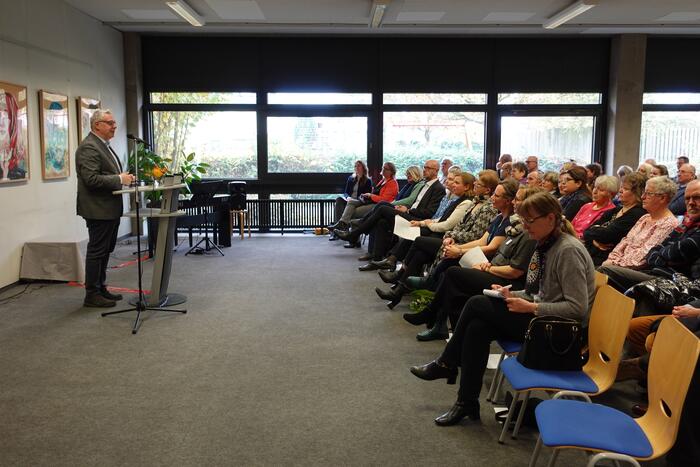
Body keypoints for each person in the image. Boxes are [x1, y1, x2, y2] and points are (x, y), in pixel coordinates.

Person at [409, 191, 595, 426]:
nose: (526, 227)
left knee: (476, 304)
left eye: (530, 221)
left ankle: (447, 363)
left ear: (550, 218)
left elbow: (577, 309)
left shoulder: (567, 250)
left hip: (559, 333)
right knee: (478, 327)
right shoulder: (546, 244)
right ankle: (466, 403)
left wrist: (531, 306)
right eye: (523, 221)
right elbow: (538, 291)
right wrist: (511, 294)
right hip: (542, 320)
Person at [404, 185, 541, 341]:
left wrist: (483, 265)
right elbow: (482, 240)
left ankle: (433, 311)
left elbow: (502, 258)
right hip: (491, 265)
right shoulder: (506, 221)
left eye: (517, 199)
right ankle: (440, 321)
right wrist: (457, 248)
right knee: (451, 269)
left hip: (502, 275)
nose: (492, 198)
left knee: (453, 274)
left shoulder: (521, 230)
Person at [377, 178, 518, 308]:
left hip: (482, 258)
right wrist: (455, 246)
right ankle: (400, 290)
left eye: (497, 196)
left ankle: (416, 283)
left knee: (424, 243)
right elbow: (480, 239)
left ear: (508, 200)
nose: (493, 197)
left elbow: (489, 246)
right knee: (420, 251)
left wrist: (458, 248)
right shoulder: (497, 216)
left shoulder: (497, 214)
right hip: (461, 242)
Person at [76, 109, 135, 307]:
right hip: (97, 209)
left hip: (108, 208)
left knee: (105, 250)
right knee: (97, 251)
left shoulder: (103, 145)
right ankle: (91, 294)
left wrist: (122, 178)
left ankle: (100, 288)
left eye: (114, 122)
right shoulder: (89, 147)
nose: (114, 126)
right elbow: (91, 179)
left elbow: (104, 174)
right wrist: (119, 179)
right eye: (109, 123)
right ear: (97, 125)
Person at [336, 160, 444, 267]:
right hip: (409, 212)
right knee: (381, 221)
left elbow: (429, 212)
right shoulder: (424, 184)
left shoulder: (438, 188)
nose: (424, 170)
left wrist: (407, 210)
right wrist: (405, 207)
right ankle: (376, 259)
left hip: (416, 218)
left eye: (428, 168)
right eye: (424, 167)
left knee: (383, 206)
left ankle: (354, 232)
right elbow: (414, 202)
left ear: (436, 171)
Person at [368, 171, 475, 271]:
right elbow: (440, 218)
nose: (449, 182)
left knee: (384, 208)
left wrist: (423, 221)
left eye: (455, 181)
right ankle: (386, 260)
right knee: (383, 218)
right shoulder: (449, 196)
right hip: (431, 223)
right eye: (450, 179)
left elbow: (444, 223)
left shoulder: (458, 199)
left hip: (439, 230)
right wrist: (423, 223)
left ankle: (398, 268)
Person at [598, 176, 680, 286]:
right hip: (618, 265)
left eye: (648, 194)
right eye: (643, 193)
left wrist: (614, 264)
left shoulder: (669, 223)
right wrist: (611, 259)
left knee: (600, 272)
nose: (642, 197)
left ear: (662, 198)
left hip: (639, 271)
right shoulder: (645, 217)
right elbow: (625, 242)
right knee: (588, 269)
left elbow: (644, 257)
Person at [583, 172, 647, 266]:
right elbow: (586, 231)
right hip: (593, 254)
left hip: (608, 260)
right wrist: (595, 241)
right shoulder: (615, 210)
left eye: (625, 189)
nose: (620, 191)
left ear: (637, 193)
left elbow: (607, 236)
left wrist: (594, 232)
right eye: (621, 187)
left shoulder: (637, 213)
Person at [331, 162, 398, 233]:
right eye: (383, 167)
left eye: (386, 168)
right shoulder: (383, 181)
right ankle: (343, 225)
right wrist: (367, 195)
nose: (383, 169)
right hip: (369, 201)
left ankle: (348, 233)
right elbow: (346, 192)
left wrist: (370, 195)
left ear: (391, 171)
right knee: (344, 201)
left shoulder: (392, 183)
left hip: (378, 205)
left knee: (353, 211)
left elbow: (385, 200)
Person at [328, 160, 372, 234]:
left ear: (363, 168)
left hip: (360, 201)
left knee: (350, 202)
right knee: (338, 200)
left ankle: (341, 225)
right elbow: (346, 192)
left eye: (358, 166)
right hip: (350, 200)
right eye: (355, 166)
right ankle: (340, 226)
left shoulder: (367, 181)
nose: (356, 167)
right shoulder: (351, 178)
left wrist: (355, 199)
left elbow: (367, 195)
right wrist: (348, 197)